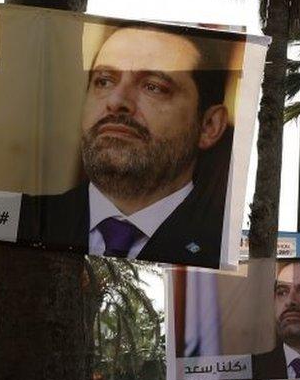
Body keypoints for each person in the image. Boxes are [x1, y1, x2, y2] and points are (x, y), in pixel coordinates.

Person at [18, 25, 233, 267]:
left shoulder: (224, 249)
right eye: (104, 81)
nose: (117, 101)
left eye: (154, 87)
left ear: (209, 125)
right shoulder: (20, 222)